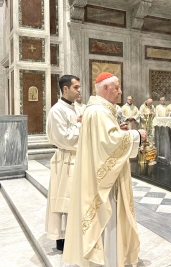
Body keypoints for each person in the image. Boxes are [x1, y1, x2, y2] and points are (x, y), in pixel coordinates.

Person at [63, 72, 147, 267]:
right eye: (117, 87)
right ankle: (109, 261)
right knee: (108, 222)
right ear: (106, 88)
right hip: (106, 184)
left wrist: (120, 131)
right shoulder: (99, 112)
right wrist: (137, 136)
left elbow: (106, 139)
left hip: (98, 173)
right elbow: (110, 143)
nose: (120, 91)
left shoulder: (96, 109)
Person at [45, 74, 82, 251]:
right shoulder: (56, 110)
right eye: (76, 87)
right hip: (65, 159)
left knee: (74, 200)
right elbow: (64, 138)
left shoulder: (76, 108)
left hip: (77, 158)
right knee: (63, 200)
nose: (79, 90)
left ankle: (74, 235)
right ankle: (62, 238)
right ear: (65, 89)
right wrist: (81, 125)